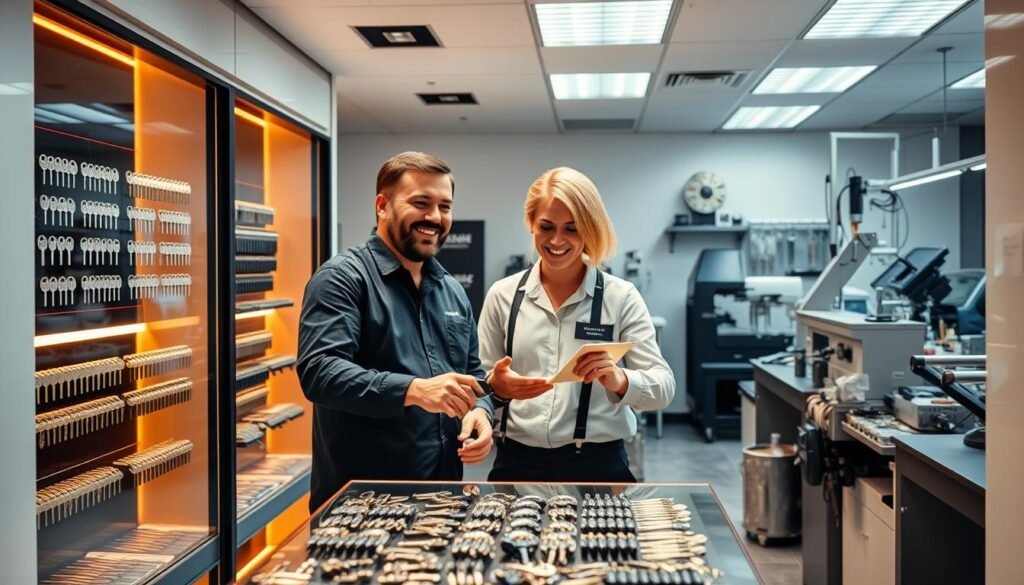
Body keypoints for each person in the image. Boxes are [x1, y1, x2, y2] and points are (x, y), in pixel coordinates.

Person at [297, 151, 493, 512]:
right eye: (421, 203)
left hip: (442, 502)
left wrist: (480, 411)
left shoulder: (451, 290)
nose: (435, 217)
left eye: (444, 206)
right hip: (360, 508)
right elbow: (320, 372)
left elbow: (472, 374)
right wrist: (414, 390)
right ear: (382, 206)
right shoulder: (341, 279)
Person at [478, 167, 674, 482]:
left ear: (590, 228)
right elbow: (478, 385)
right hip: (516, 464)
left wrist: (620, 380)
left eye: (572, 229)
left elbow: (663, 388)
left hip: (598, 466)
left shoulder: (621, 298)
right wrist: (494, 387)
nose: (557, 240)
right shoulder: (503, 296)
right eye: (546, 227)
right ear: (531, 223)